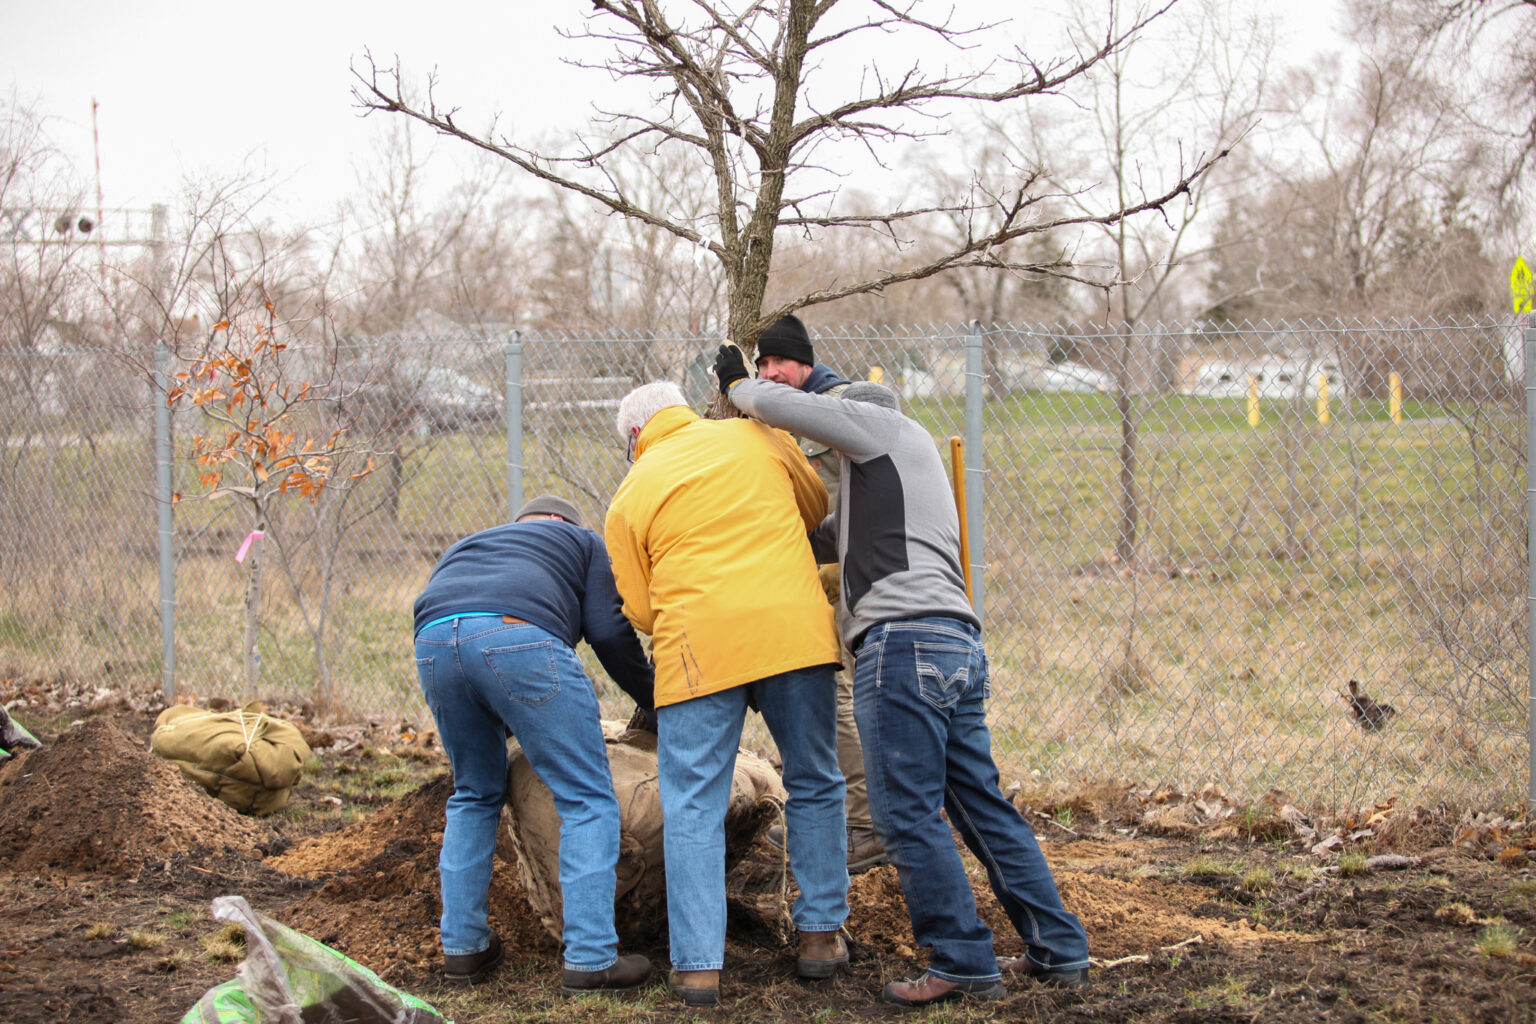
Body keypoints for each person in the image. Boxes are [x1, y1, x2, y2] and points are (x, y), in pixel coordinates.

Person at [714, 351, 1092, 1008]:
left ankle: (962, 959)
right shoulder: (896, 480)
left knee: (903, 813)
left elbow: (783, 405)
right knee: (980, 808)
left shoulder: (883, 427)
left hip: (903, 646)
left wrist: (737, 386)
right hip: (955, 646)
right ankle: (1058, 948)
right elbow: (820, 538)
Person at [604, 382, 850, 1008]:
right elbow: (815, 500)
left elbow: (636, 606)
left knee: (693, 802)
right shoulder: (758, 436)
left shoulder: (631, 492)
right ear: (684, 406)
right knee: (816, 778)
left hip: (699, 648)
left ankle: (697, 968)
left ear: (636, 438)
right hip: (791, 630)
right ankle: (821, 935)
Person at [412, 495, 655, 995]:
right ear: (563, 523)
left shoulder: (472, 543)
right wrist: (655, 698)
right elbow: (609, 631)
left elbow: (452, 623)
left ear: (520, 523)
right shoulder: (582, 541)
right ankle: (591, 959)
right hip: (519, 635)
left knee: (474, 794)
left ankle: (464, 949)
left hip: (433, 641)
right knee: (586, 797)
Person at [752, 313, 888, 874]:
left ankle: (863, 827)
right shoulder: (794, 414)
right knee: (821, 697)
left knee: (837, 696)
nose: (770, 373)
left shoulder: (834, 406)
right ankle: (835, 815)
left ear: (804, 360)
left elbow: (827, 505)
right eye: (760, 365)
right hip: (803, 575)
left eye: (777, 361)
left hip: (835, 573)